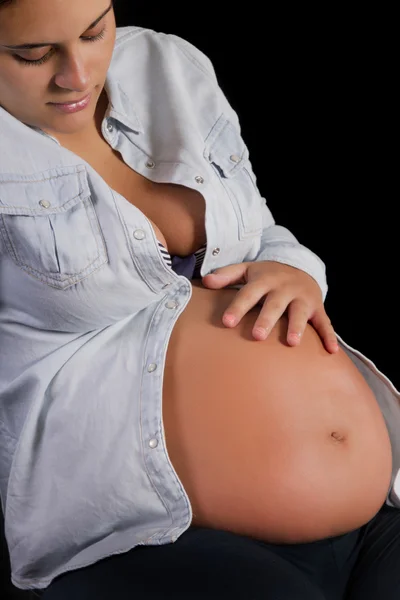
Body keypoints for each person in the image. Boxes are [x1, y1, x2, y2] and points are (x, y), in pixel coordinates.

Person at [0, 1, 399, 598]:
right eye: (33, 54)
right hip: (153, 536)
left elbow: (258, 230)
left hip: (378, 513)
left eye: (93, 32)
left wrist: (293, 270)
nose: (78, 75)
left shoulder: (166, 66)